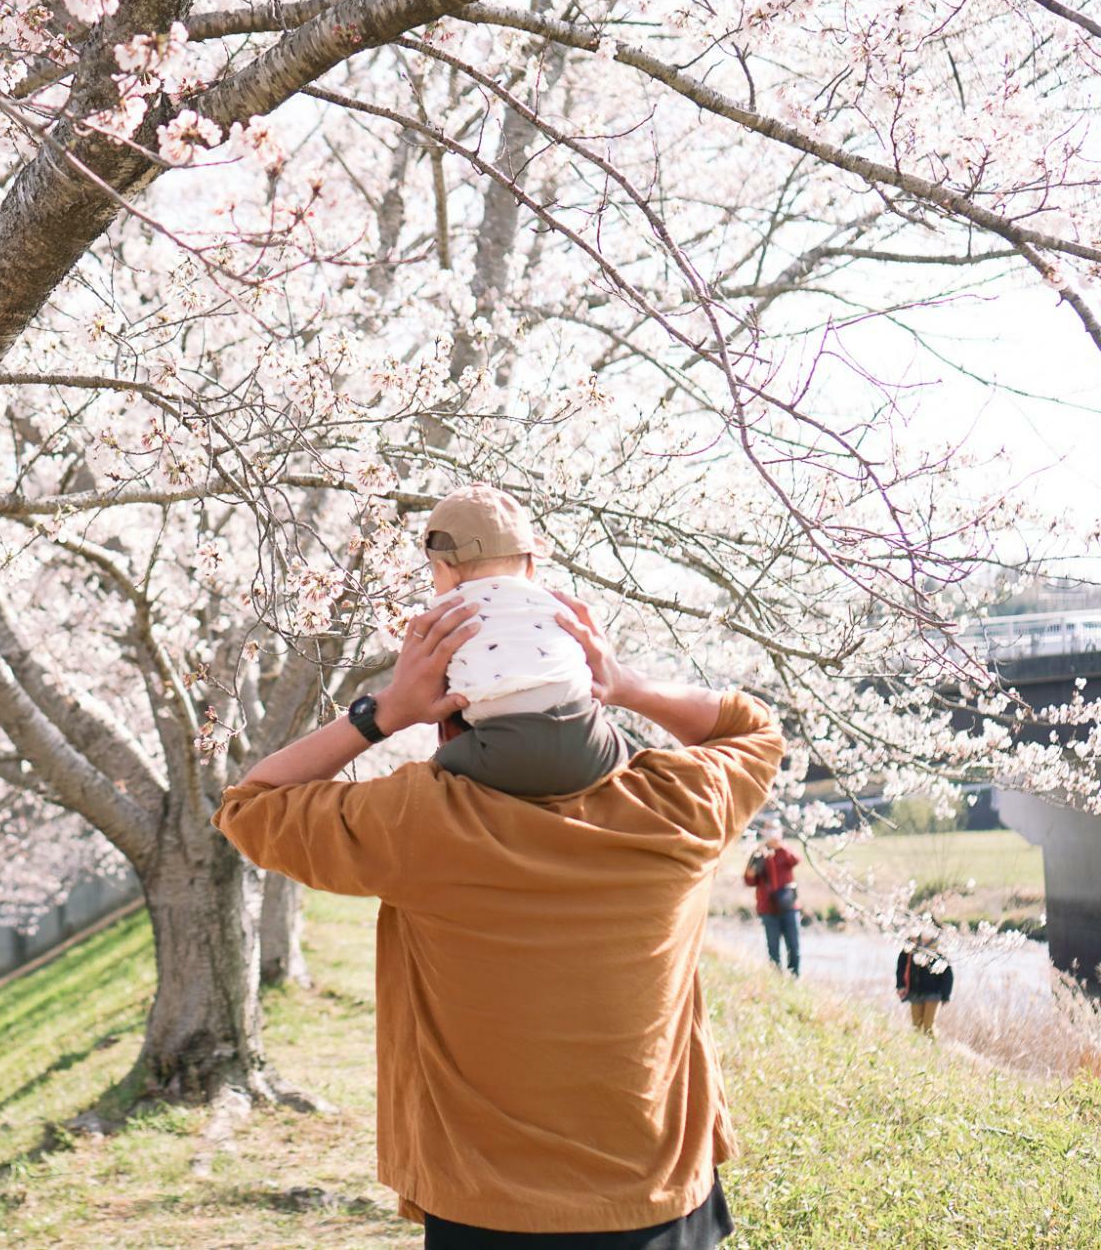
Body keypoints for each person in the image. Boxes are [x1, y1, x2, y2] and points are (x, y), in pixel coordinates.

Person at [216, 588, 783, 1248]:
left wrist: (384, 712)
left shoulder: (416, 823)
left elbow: (251, 804)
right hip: (658, 1193)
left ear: (452, 722)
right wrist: (629, 685)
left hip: (486, 1205)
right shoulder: (679, 804)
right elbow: (751, 728)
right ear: (584, 701)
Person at [409, 483, 636, 800]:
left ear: (443, 571)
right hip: (587, 740)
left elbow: (431, 685)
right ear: (531, 566)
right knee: (626, 755)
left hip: (505, 751)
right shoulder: (555, 605)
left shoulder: (448, 617)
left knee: (441, 768)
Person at [741, 823, 801, 977]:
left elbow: (796, 860)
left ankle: (795, 977)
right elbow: (749, 880)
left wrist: (782, 846)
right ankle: (776, 978)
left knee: (794, 946)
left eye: (775, 830)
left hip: (789, 905)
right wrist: (752, 870)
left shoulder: (785, 851)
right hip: (768, 907)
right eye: (769, 830)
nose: (772, 834)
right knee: (773, 947)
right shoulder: (759, 854)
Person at [896, 929, 955, 1037]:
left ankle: (932, 1049)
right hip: (915, 992)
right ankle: (917, 1049)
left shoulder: (940, 949)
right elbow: (901, 967)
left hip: (934, 993)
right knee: (916, 1026)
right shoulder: (911, 944)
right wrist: (900, 985)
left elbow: (948, 975)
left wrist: (946, 995)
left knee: (929, 1025)